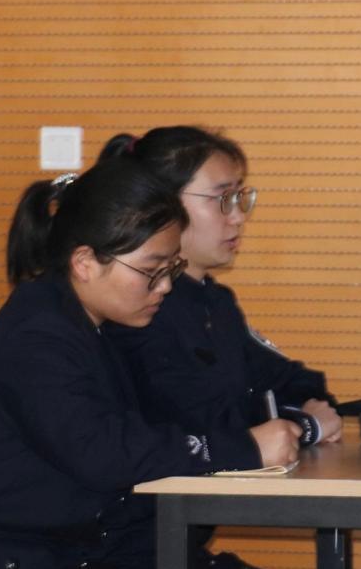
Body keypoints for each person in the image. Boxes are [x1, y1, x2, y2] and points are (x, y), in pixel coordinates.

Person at [0, 159, 361, 569]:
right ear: (85, 262)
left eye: (171, 270)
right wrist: (244, 447)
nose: (164, 287)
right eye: (152, 270)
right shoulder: (38, 336)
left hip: (95, 559)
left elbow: (175, 421)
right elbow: (107, 452)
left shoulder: (99, 324)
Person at [98, 126, 342, 443]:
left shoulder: (215, 301)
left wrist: (293, 418)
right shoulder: (139, 307)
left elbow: (297, 384)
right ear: (160, 205)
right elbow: (197, 428)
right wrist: (304, 425)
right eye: (223, 199)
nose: (238, 217)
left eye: (239, 197)